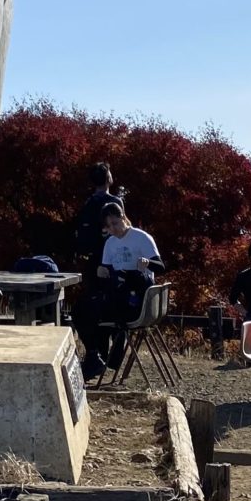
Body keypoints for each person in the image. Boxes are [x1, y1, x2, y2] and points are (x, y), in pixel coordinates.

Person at [74, 206, 166, 381]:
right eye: (108, 226)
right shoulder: (110, 243)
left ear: (123, 217)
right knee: (80, 310)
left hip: (136, 298)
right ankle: (94, 355)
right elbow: (108, 271)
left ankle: (101, 358)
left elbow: (160, 267)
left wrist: (147, 263)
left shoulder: (141, 238)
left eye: (115, 223)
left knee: (98, 313)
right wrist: (101, 271)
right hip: (116, 293)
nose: (113, 229)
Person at [72, 162, 123, 270]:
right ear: (108, 178)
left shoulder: (88, 203)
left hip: (91, 256)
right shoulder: (115, 202)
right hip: (113, 255)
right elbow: (123, 228)